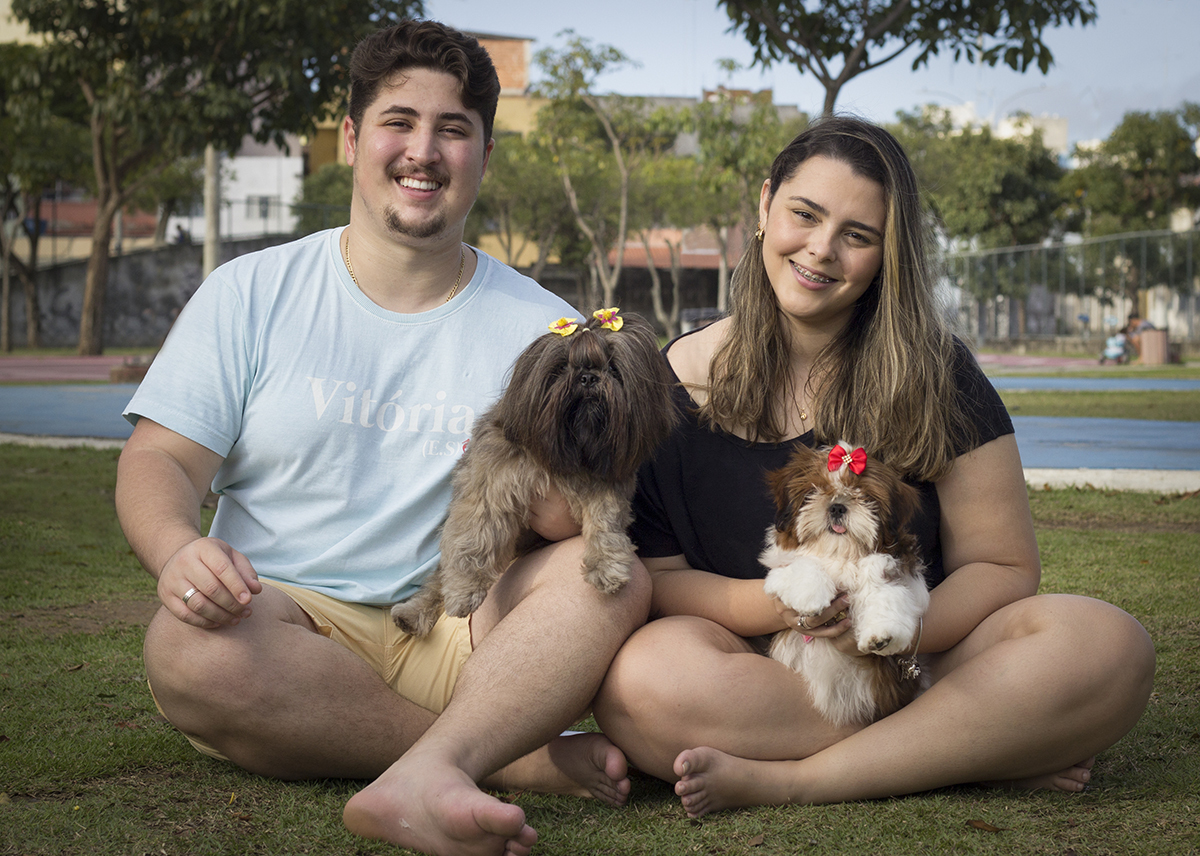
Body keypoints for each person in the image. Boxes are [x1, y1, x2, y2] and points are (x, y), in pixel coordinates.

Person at [116, 20, 649, 856]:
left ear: (484, 153)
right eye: (400, 122)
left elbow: (571, 511)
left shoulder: (551, 329)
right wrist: (179, 550)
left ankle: (440, 756)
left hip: (460, 623)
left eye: (454, 130)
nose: (423, 151)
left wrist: (555, 505)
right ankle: (494, 760)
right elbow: (161, 459)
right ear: (353, 137)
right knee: (189, 653)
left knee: (610, 579)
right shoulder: (250, 292)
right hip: (285, 618)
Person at [592, 116, 1155, 817]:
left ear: (888, 254)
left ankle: (797, 780)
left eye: (858, 236)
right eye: (805, 214)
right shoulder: (665, 386)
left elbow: (1004, 566)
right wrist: (776, 603)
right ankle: (977, 742)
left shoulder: (933, 369)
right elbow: (662, 581)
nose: (821, 250)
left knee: (1107, 646)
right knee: (638, 683)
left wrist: (896, 626)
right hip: (769, 672)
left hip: (926, 656)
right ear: (765, 206)